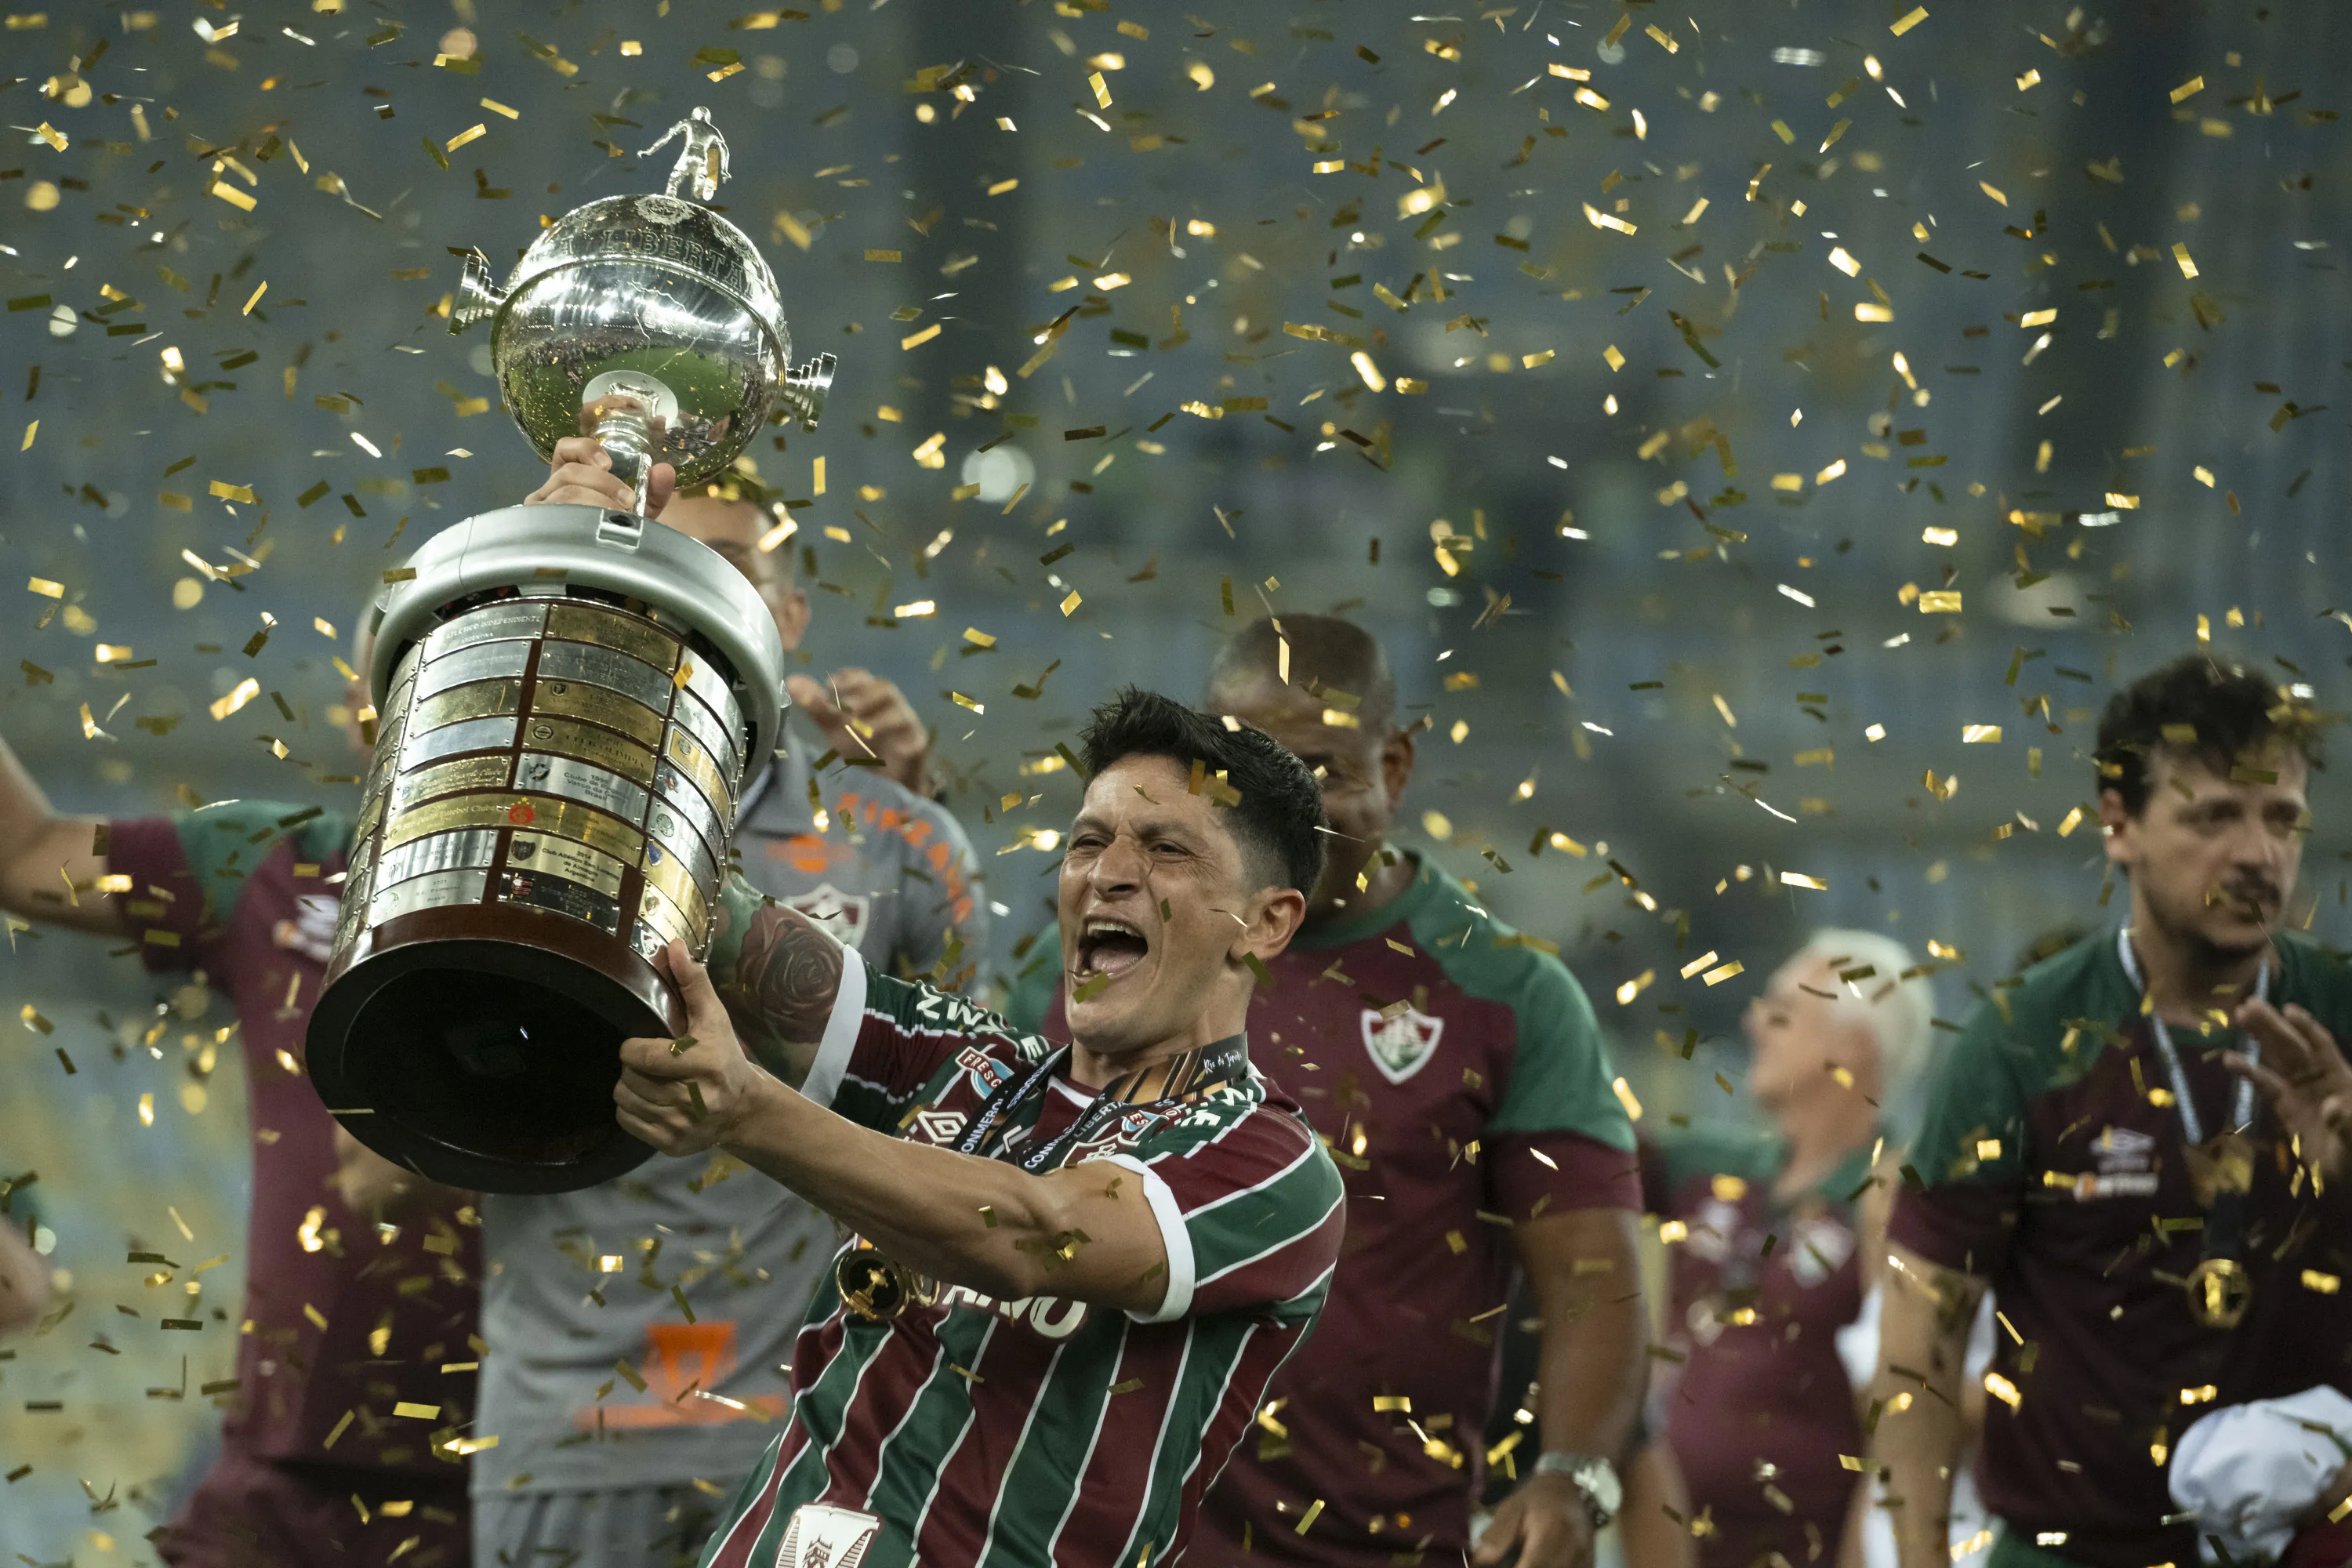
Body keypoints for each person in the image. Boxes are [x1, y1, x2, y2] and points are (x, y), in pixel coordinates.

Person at [608, 688, 1346, 1568]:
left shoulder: (1271, 1164)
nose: (1107, 873)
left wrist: (747, 1110)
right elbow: (700, 915)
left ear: (1265, 921)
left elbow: (1035, 1233)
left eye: (1166, 848)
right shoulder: (959, 1059)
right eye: (1087, 841)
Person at [1013, 615, 1646, 1568]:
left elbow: (1593, 1274)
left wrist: (1572, 1472)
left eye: (1319, 768)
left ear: (1393, 767)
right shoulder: (1087, 962)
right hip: (1086, 1539)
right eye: (1239, 774)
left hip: (1371, 1545)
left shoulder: (1507, 993)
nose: (1284, 803)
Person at [473, 440, 983, 1568]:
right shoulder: (519, 801)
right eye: (665, 560)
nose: (696, 587)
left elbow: (972, 1135)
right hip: (564, 1428)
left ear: (789, 615)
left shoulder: (901, 842)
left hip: (810, 1437)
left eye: (734, 567)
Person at [1867, 653, 2352, 1568]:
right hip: (2066, 1551)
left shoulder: (2341, 1017)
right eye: (2215, 815)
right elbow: (1919, 1344)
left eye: (2282, 817)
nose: (2258, 853)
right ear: (2118, 823)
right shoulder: (2024, 1038)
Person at [0, 717, 482, 1566]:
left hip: (521, 1476)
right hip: (274, 1480)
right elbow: (29, 853)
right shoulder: (282, 863)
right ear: (365, 712)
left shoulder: (634, 899)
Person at [1621, 931, 1933, 1567]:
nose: (1754, 1023)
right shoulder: (1711, 1169)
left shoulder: (1896, 1202)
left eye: (1783, 1011)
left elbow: (1907, 1418)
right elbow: (1578, 1147)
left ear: (1852, 1047)